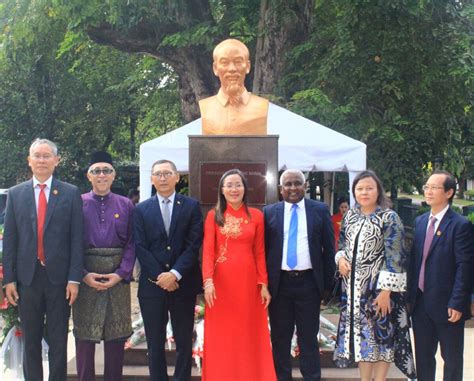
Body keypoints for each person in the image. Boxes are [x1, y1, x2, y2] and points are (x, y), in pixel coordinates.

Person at [3, 138, 84, 380]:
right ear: (29, 161)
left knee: (59, 340)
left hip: (59, 280)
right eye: (36, 156)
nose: (41, 160)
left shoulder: (70, 193)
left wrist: (74, 279)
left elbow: (76, 239)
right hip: (27, 279)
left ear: (56, 161)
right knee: (31, 340)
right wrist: (9, 280)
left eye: (46, 155)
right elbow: (10, 241)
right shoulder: (16, 194)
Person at [334, 170, 415, 381]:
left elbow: (396, 256)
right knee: (362, 338)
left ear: (378, 190)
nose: (364, 192)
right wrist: (340, 259)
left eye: (369, 188)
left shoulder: (389, 217)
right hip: (353, 292)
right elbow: (342, 244)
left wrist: (386, 291)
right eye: (360, 189)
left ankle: (380, 379)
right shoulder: (350, 216)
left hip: (379, 291)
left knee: (382, 337)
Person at [202, 169, 276, 380]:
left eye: (238, 185)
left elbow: (259, 251)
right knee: (222, 336)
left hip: (248, 284)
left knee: (248, 334)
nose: (234, 189)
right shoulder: (213, 216)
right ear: (222, 190)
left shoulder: (257, 216)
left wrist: (263, 284)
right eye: (229, 185)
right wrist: (208, 282)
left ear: (245, 188)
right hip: (220, 286)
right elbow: (208, 250)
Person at [134, 159, 203, 381]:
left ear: (177, 177)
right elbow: (140, 247)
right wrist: (160, 276)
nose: (162, 178)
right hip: (152, 287)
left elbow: (194, 245)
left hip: (183, 285)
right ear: (152, 179)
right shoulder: (140, 209)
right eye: (158, 174)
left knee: (184, 341)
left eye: (167, 173)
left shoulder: (191, 206)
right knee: (155, 342)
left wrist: (174, 274)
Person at [264, 169, 335, 381]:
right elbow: (264, 250)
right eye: (288, 184)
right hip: (280, 286)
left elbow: (329, 250)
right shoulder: (269, 212)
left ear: (304, 186)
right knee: (280, 339)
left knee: (308, 340)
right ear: (280, 189)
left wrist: (327, 287)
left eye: (297, 183)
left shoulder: (320, 210)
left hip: (309, 285)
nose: (293, 188)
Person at [72, 152, 135, 381]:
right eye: (96, 171)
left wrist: (121, 274)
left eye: (106, 170)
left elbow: (131, 242)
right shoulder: (77, 203)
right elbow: (70, 243)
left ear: (113, 175)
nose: (101, 175)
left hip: (116, 280)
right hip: (86, 278)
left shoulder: (126, 204)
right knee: (85, 340)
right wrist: (83, 274)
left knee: (115, 340)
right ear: (89, 175)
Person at [408, 170, 472, 381]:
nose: (428, 191)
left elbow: (465, 267)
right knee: (424, 359)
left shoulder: (460, 225)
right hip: (420, 304)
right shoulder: (420, 222)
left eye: (434, 187)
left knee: (452, 360)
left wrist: (458, 302)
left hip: (448, 306)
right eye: (426, 187)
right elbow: (415, 262)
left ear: (449, 192)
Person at [199, 38, 269, 135]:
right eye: (224, 63)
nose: (232, 69)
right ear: (215, 68)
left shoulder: (261, 107)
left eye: (238, 62)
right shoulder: (206, 108)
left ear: (247, 66)